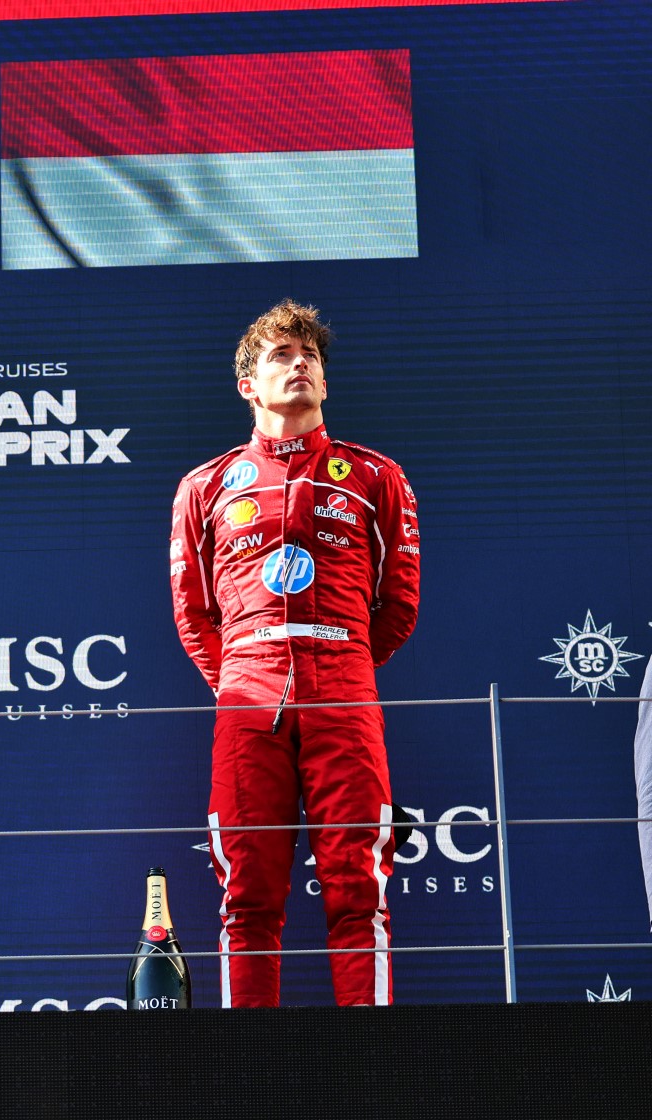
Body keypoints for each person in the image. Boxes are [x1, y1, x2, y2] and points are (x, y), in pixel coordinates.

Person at [169, 301, 420, 1007]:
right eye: (281, 355)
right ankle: (249, 1070)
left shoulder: (376, 476)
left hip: (345, 686)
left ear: (326, 384)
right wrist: (247, 677)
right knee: (247, 888)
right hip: (248, 696)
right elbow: (194, 617)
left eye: (309, 355)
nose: (300, 363)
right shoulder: (206, 486)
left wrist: (339, 666)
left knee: (358, 884)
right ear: (248, 383)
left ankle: (370, 1059)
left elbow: (397, 608)